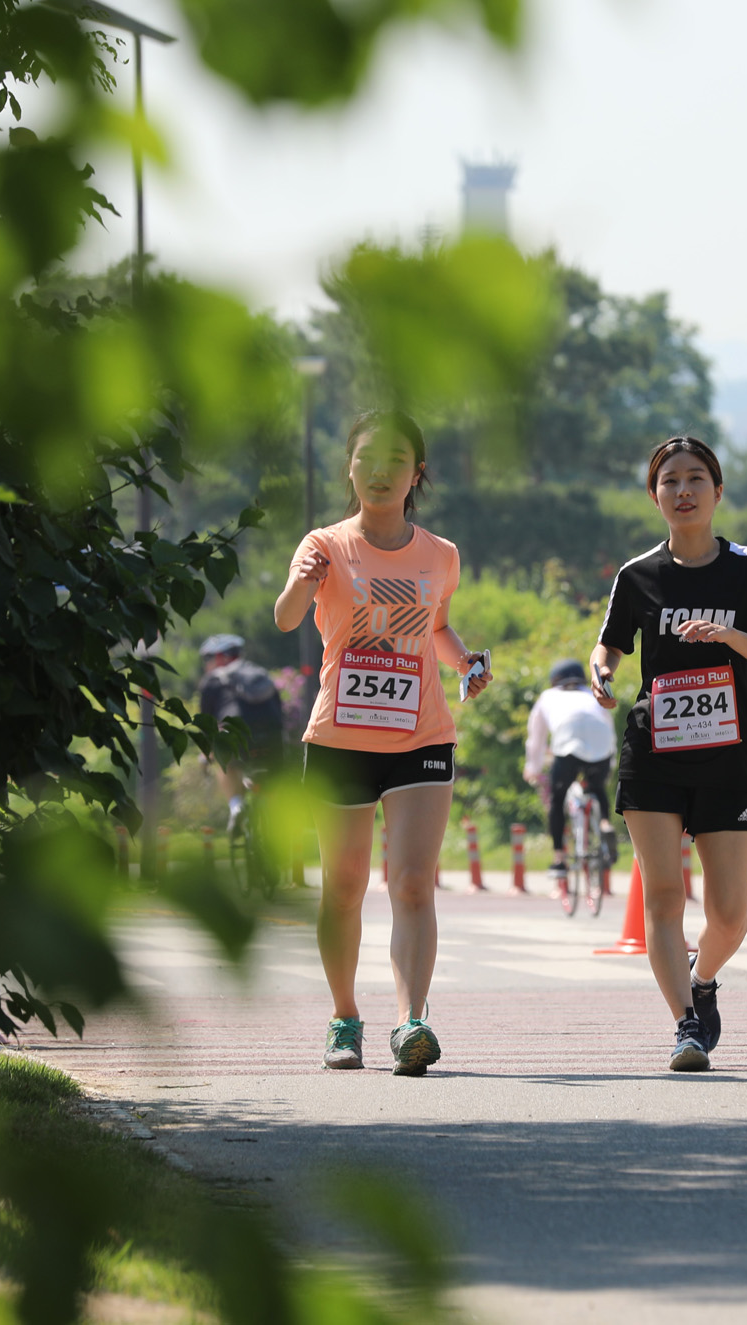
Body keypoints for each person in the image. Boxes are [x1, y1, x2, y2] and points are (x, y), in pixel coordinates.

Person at [273, 410, 492, 1077]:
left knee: (413, 883)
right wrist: (303, 581)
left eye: (397, 459)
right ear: (350, 466)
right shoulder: (325, 544)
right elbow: (285, 618)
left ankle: (411, 1021)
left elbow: (439, 625)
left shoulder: (441, 554)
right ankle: (345, 1017)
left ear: (416, 474)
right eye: (367, 457)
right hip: (340, 737)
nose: (380, 470)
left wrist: (464, 662)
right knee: (342, 885)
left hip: (420, 736)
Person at [589, 434, 747, 1072]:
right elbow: (609, 647)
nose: (683, 490)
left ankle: (702, 981)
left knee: (730, 913)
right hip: (655, 751)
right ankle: (685, 1027)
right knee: (663, 896)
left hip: (728, 758)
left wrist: (729, 634)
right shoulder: (637, 575)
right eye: (670, 481)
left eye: (696, 479)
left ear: (718, 491)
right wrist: (601, 674)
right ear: (654, 496)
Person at [523, 658, 618, 892]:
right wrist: (611, 760)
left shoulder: (548, 696)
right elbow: (609, 726)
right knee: (596, 787)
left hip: (568, 742)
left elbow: (536, 740)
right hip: (601, 743)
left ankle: (559, 858)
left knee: (557, 799)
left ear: (555, 680)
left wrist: (533, 768)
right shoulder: (592, 693)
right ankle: (604, 823)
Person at [194, 633, 284, 828]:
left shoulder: (212, 681)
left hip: (235, 739)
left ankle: (236, 807)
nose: (206, 665)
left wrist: (206, 754)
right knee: (275, 775)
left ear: (220, 658)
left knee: (223, 762)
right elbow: (279, 711)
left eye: (207, 659)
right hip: (272, 739)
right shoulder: (260, 674)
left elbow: (206, 724)